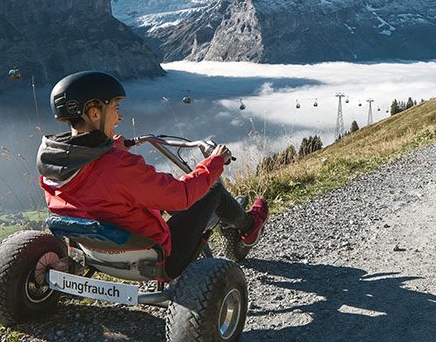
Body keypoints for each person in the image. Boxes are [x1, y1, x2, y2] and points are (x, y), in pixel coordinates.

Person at [36, 71, 268, 279]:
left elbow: (96, 181)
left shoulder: (54, 163)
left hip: (94, 251)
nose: (120, 118)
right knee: (212, 189)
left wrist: (110, 146)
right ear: (95, 113)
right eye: (116, 109)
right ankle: (249, 227)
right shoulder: (120, 168)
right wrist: (215, 161)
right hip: (153, 259)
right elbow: (181, 196)